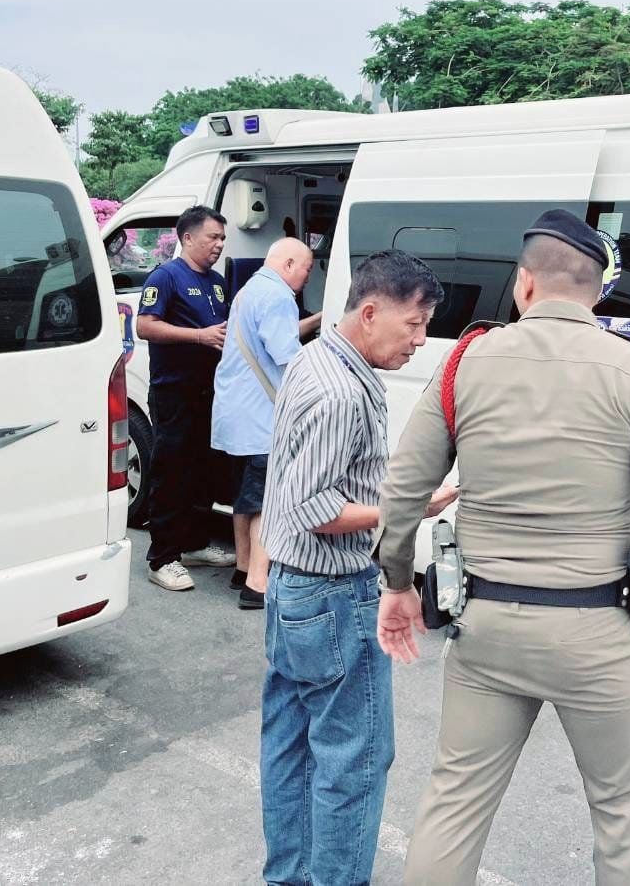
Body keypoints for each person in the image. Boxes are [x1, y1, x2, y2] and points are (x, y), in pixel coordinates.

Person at [377, 209, 630, 885]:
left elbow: (402, 493)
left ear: (524, 284)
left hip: (487, 630)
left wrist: (397, 583)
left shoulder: (464, 361)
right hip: (601, 633)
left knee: (454, 805)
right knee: (627, 817)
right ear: (596, 292)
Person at [259, 250, 456, 886]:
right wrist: (410, 507)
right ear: (370, 313)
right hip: (332, 595)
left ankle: (289, 877)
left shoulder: (316, 357)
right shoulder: (340, 390)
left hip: (292, 591)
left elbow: (326, 476)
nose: (419, 341)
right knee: (355, 759)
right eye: (413, 324)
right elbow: (315, 507)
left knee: (291, 745)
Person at [210, 238, 321, 610]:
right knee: (265, 502)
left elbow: (272, 335)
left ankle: (242, 568)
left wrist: (320, 319)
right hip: (262, 419)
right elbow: (286, 354)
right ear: (288, 264)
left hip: (237, 416)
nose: (308, 277)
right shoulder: (279, 297)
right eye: (307, 268)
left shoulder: (251, 290)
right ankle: (257, 585)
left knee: (244, 497)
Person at [136, 205, 238, 591]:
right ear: (188, 237)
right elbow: (145, 326)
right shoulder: (166, 277)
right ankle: (162, 559)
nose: (220, 244)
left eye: (223, 238)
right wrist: (198, 336)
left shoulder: (216, 282)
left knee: (203, 471)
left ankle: (193, 544)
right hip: (174, 393)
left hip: (209, 393)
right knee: (172, 474)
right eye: (213, 237)